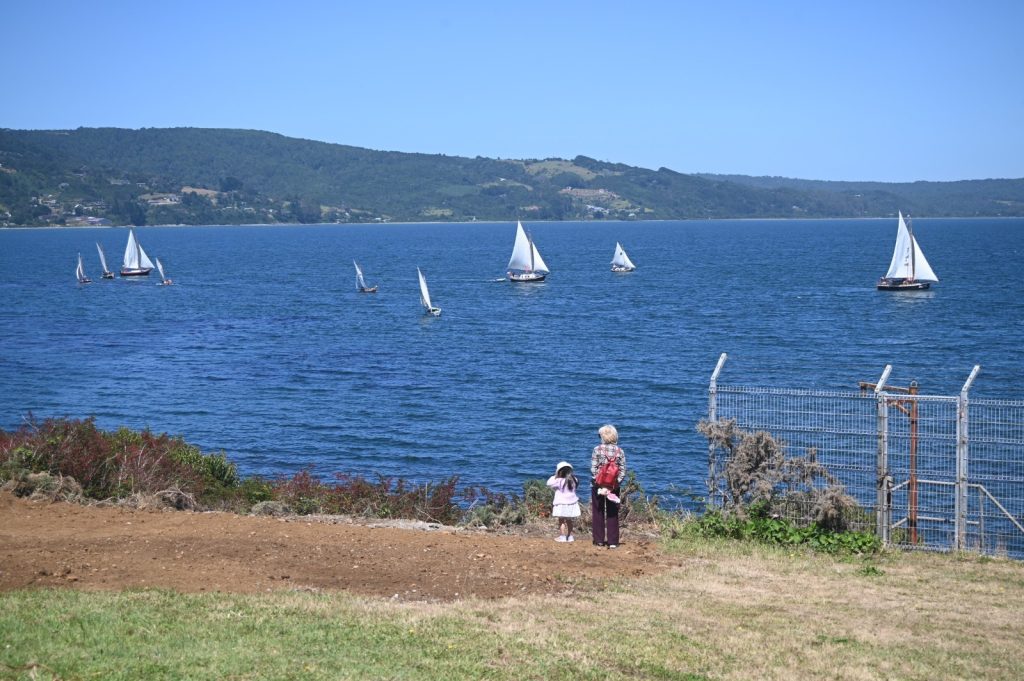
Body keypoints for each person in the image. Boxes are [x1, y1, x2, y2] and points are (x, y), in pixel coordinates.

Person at [591, 424, 626, 548]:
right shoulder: (619, 451)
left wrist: (600, 485)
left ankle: (599, 540)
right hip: (613, 486)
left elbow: (593, 469)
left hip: (597, 486)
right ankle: (612, 542)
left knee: (598, 511)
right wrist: (614, 485)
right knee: (612, 513)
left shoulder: (597, 449)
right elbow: (622, 471)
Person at [546, 461, 581, 542]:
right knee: (569, 520)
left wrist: (555, 476)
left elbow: (548, 483)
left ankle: (562, 536)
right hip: (572, 503)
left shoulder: (559, 481)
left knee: (561, 521)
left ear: (559, 472)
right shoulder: (574, 479)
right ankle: (570, 536)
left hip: (561, 504)